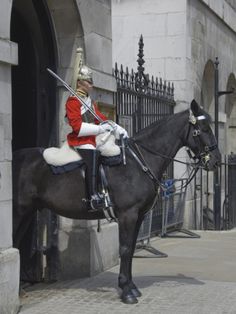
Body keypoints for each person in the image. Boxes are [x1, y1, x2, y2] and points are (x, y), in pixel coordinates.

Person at [65, 55, 128, 211]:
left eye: (91, 82)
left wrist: (116, 127)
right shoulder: (72, 101)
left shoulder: (89, 102)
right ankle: (92, 197)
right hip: (79, 141)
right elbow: (77, 128)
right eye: (88, 82)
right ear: (79, 82)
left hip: (91, 139)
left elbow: (100, 118)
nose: (91, 85)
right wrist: (101, 129)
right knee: (93, 152)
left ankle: (105, 190)